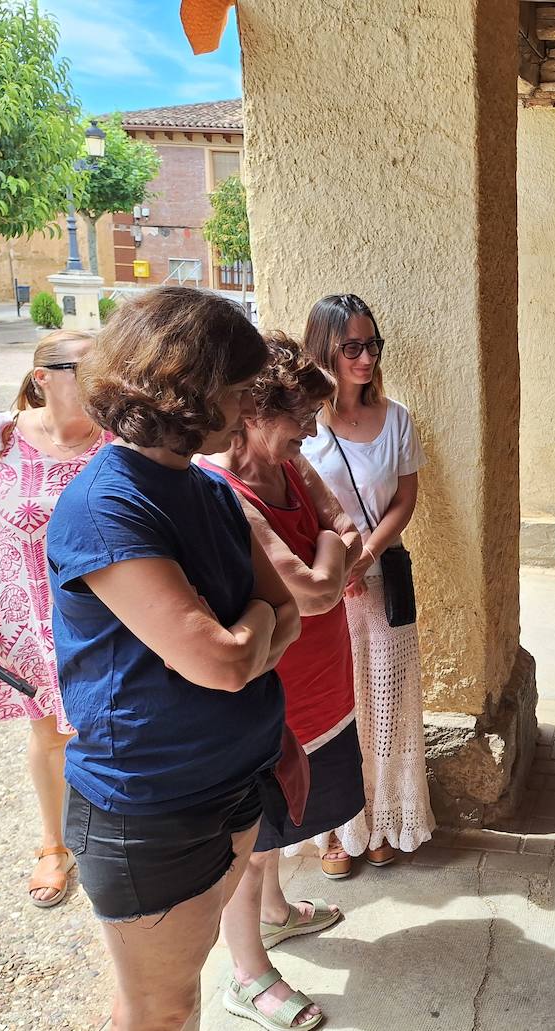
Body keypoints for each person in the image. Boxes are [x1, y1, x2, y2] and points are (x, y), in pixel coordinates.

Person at [46, 287, 301, 1030]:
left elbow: (285, 609)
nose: (248, 406)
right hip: (150, 808)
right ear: (187, 389)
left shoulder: (205, 489)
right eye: (237, 388)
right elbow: (221, 661)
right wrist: (253, 632)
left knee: (159, 991)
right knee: (166, 1008)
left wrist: (250, 637)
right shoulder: (107, 505)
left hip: (228, 783)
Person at [200, 332, 365, 1029]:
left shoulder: (291, 468)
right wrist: (330, 552)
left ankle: (273, 913)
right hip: (270, 697)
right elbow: (317, 585)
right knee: (253, 834)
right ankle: (247, 973)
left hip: (321, 683)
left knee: (282, 824)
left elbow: (348, 530)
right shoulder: (224, 488)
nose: (310, 431)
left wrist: (329, 554)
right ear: (253, 411)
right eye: (299, 417)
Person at [0, 329, 110, 908]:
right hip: (25, 614)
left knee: (111, 724)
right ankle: (54, 842)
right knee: (51, 733)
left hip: (104, 613)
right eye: (86, 370)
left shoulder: (117, 439)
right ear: (43, 379)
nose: (101, 381)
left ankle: (115, 838)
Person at [302, 293, 436, 869]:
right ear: (324, 351)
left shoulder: (396, 417)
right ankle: (337, 829)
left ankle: (383, 820)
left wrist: (368, 554)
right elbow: (296, 504)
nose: (365, 358)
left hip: (384, 581)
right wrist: (339, 564)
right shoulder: (304, 424)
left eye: (372, 345)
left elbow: (405, 499)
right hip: (328, 588)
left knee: (390, 703)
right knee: (338, 708)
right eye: (350, 347)